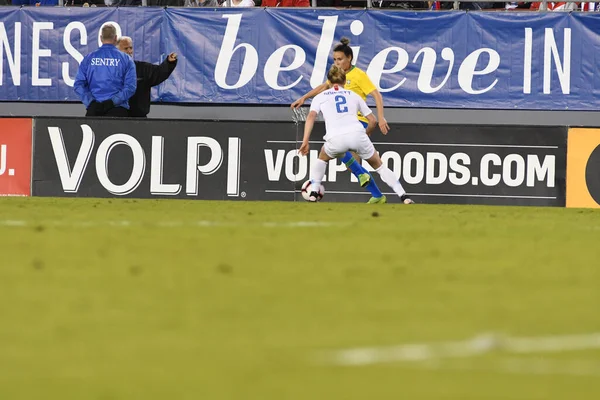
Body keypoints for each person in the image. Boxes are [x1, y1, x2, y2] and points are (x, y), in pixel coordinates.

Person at [292, 37, 390, 204]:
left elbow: (377, 95)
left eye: (340, 59)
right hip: (346, 124)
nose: (337, 63)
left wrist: (380, 118)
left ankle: (364, 178)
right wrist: (304, 98)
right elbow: (323, 87)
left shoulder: (359, 75)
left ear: (349, 58)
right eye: (335, 60)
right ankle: (377, 195)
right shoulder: (337, 76)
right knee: (346, 157)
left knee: (340, 148)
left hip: (359, 121)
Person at [299, 66, 413, 205]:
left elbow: (311, 116)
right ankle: (404, 196)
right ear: (345, 80)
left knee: (322, 158)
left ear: (328, 81)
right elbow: (372, 120)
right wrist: (366, 134)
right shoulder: (354, 95)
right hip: (357, 135)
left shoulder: (320, 97)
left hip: (335, 138)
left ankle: (313, 193)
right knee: (380, 166)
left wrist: (305, 141)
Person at [74, 24, 136, 117]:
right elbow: (130, 87)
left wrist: (91, 102)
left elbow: (78, 85)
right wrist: (112, 102)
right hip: (118, 110)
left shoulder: (88, 58)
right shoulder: (126, 59)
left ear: (100, 38)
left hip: (94, 109)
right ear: (115, 38)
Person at [117, 36, 178, 118]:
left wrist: (169, 62)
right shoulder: (109, 70)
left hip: (139, 118)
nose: (129, 51)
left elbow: (159, 72)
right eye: (125, 48)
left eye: (130, 48)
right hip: (117, 117)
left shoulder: (143, 68)